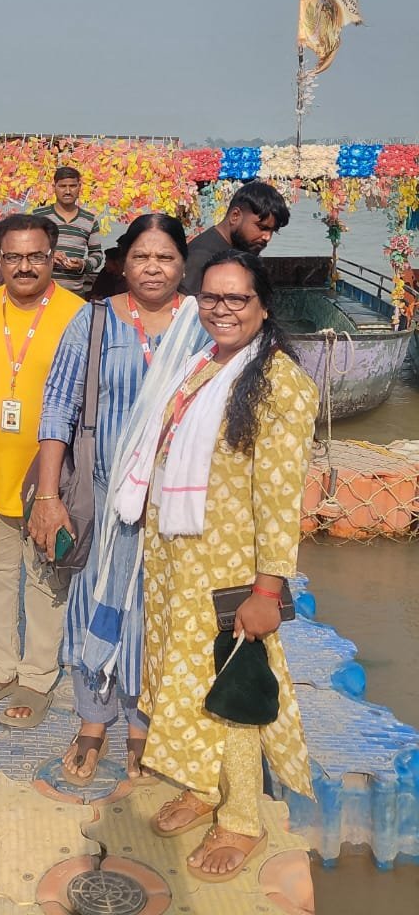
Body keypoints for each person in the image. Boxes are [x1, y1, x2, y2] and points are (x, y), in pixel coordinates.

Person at [115, 250, 316, 881]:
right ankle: (203, 788)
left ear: (262, 306)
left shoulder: (281, 383)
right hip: (180, 561)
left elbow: (281, 498)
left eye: (237, 300)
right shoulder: (203, 364)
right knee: (184, 679)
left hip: (233, 568)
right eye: (211, 298)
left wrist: (267, 588)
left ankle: (242, 820)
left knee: (235, 687)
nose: (222, 310)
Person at [31, 214, 207, 784]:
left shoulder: (202, 324)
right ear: (122, 262)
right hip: (105, 499)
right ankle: (92, 720)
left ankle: (141, 722)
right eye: (140, 257)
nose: (152, 268)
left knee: (156, 613)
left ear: (183, 265)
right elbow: (58, 408)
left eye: (165, 259)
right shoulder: (95, 321)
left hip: (175, 504)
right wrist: (49, 495)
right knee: (95, 603)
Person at [0, 214, 83, 728]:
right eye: (13, 256)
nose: (25, 266)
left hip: (48, 476)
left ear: (53, 257)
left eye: (36, 256)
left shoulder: (80, 316)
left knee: (45, 580)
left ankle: (36, 676)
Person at [182, 180, 290, 294]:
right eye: (262, 227)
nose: (267, 237)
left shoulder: (238, 251)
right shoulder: (200, 257)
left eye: (273, 231)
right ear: (235, 216)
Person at [33, 165, 104, 297]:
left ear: (79, 187)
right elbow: (25, 251)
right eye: (62, 186)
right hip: (40, 293)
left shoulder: (90, 220)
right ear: (54, 188)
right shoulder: (38, 217)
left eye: (72, 186)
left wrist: (82, 264)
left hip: (75, 295)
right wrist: (49, 257)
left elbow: (98, 256)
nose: (67, 191)